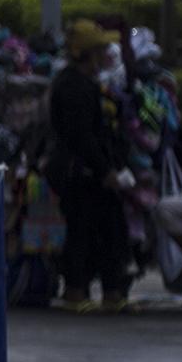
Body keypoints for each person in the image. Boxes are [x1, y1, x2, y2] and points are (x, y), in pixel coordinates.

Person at [46, 20, 137, 312]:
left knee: (108, 229)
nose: (105, 57)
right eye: (99, 50)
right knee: (82, 230)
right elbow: (81, 137)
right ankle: (75, 290)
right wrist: (105, 170)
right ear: (87, 54)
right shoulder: (72, 86)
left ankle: (111, 291)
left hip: (92, 171)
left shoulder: (86, 84)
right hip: (80, 172)